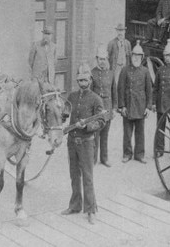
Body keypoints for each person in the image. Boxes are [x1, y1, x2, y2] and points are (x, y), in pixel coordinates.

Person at [61, 64, 105, 225]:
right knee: (74, 175)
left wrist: (87, 126)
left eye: (85, 80)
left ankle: (91, 210)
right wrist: (61, 116)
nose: (82, 83)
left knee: (87, 177)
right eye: (80, 80)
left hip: (87, 143)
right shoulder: (72, 97)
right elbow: (65, 113)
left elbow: (101, 121)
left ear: (90, 80)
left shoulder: (96, 99)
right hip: (72, 142)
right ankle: (75, 205)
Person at [117, 41, 153, 164]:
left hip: (141, 106)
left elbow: (149, 91)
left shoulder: (145, 71)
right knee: (127, 133)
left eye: (138, 56)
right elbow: (120, 89)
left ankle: (140, 154)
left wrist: (148, 107)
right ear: (131, 56)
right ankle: (127, 154)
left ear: (142, 58)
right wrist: (122, 106)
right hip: (128, 106)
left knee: (140, 132)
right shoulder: (125, 70)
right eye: (134, 56)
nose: (136, 58)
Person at [90, 45, 116, 167]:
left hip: (107, 107)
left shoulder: (111, 73)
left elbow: (114, 91)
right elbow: (89, 93)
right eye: (100, 59)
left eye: (104, 59)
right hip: (96, 109)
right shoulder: (92, 73)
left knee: (105, 135)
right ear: (97, 59)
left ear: (107, 59)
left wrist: (114, 108)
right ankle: (93, 159)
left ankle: (104, 159)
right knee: (95, 135)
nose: (102, 61)